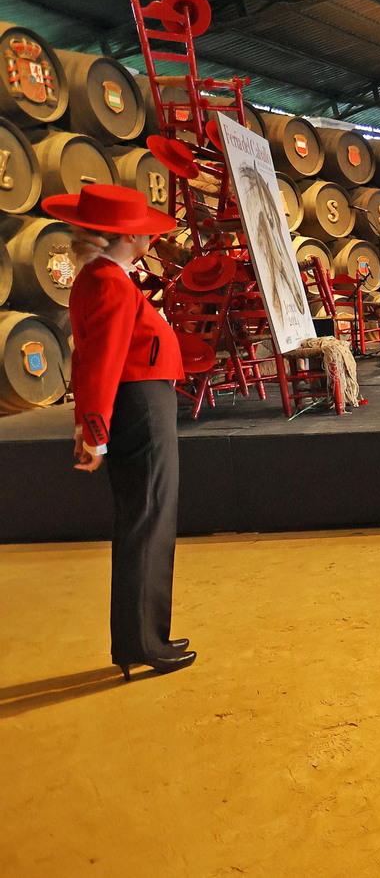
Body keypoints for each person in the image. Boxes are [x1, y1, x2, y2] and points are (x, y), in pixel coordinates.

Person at [46, 183, 196, 678]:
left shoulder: (96, 277)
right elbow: (104, 360)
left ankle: (143, 637)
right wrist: (94, 431)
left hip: (130, 404)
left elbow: (86, 358)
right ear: (123, 237)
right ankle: (144, 644)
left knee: (141, 517)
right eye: (140, 233)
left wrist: (88, 425)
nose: (149, 239)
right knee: (149, 518)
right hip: (141, 404)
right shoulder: (110, 281)